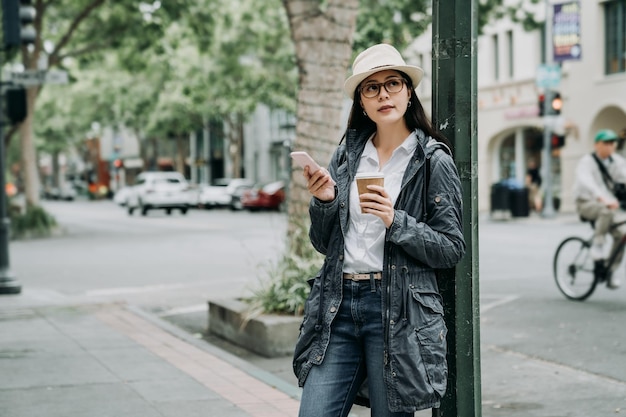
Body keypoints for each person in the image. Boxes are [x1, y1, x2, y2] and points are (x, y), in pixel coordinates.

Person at [292, 43, 466, 416]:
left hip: (397, 311)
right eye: (371, 88)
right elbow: (324, 243)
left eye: (392, 84)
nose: (383, 94)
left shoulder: (432, 160)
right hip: (338, 305)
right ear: (362, 102)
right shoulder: (347, 156)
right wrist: (324, 201)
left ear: (408, 92)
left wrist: (395, 220)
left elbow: (451, 247)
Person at [573, 128, 626, 289]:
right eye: (606, 143)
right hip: (586, 203)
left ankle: (609, 271)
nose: (610, 146)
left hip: (609, 204)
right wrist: (602, 198)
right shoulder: (586, 162)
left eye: (612, 143)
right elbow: (587, 182)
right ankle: (597, 244)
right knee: (606, 210)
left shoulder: (617, 161)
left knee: (622, 235)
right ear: (597, 145)